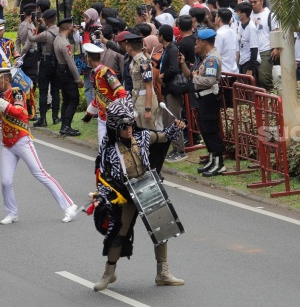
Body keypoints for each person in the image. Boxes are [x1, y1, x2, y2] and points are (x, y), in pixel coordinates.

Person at [0, 68, 79, 224]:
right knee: (5, 181)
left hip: (22, 140)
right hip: (7, 144)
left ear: (6, 79)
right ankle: (12, 212)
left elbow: (18, 113)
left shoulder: (17, 93)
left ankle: (69, 206)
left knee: (40, 174)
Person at [91, 98, 186, 291]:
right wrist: (101, 195)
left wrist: (176, 127)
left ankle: (163, 272)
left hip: (148, 187)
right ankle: (109, 272)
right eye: (125, 126)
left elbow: (164, 136)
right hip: (126, 195)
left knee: (162, 229)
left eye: (131, 124)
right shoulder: (108, 150)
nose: (130, 129)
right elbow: (103, 176)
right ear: (115, 127)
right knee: (118, 234)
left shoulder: (142, 137)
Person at [181, 29, 226, 176]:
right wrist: (186, 67)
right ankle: (212, 159)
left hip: (209, 98)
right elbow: (194, 75)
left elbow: (210, 80)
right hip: (203, 97)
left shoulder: (212, 59)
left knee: (211, 130)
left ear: (205, 42)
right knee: (205, 130)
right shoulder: (205, 58)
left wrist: (194, 78)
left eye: (198, 41)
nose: (196, 44)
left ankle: (219, 163)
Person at [81, 43, 127, 145]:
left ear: (88, 58)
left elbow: (121, 92)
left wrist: (121, 114)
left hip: (112, 118)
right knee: (103, 148)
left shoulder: (106, 73)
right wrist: (89, 114)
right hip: (102, 117)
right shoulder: (95, 73)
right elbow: (99, 96)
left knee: (115, 148)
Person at [158, 24, 187, 163]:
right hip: (168, 90)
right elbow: (160, 63)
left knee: (175, 119)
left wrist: (162, 75)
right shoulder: (167, 49)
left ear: (161, 36)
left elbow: (174, 69)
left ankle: (180, 150)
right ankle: (174, 148)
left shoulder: (173, 49)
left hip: (174, 90)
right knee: (168, 120)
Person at [29, 8, 60, 127]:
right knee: (55, 90)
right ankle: (55, 116)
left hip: (45, 63)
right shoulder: (58, 30)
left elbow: (32, 38)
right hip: (56, 63)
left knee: (43, 90)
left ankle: (43, 118)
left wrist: (31, 27)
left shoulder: (45, 34)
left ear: (46, 20)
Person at [54, 17, 83, 136]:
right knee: (74, 98)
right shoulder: (65, 43)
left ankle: (64, 126)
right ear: (70, 27)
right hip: (66, 71)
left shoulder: (57, 39)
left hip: (60, 70)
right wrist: (78, 79)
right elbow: (71, 63)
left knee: (66, 99)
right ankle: (66, 125)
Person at [248, 0, 278, 91]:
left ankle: (271, 95)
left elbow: (276, 31)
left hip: (266, 49)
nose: (253, 5)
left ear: (262, 1)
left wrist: (276, 48)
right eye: (251, 2)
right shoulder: (249, 15)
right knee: (253, 79)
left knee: (264, 78)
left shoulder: (270, 15)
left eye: (255, 2)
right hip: (252, 51)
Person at [236, 2, 260, 78]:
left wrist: (250, 69)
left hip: (249, 63)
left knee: (250, 87)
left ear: (242, 15)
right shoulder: (240, 24)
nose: (236, 14)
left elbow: (254, 49)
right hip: (242, 61)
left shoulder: (251, 28)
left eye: (238, 12)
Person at [215, 8, 239, 74]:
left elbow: (217, 54)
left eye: (216, 16)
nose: (215, 18)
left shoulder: (219, 34)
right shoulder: (234, 32)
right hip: (234, 71)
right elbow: (237, 53)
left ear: (219, 19)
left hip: (223, 73)